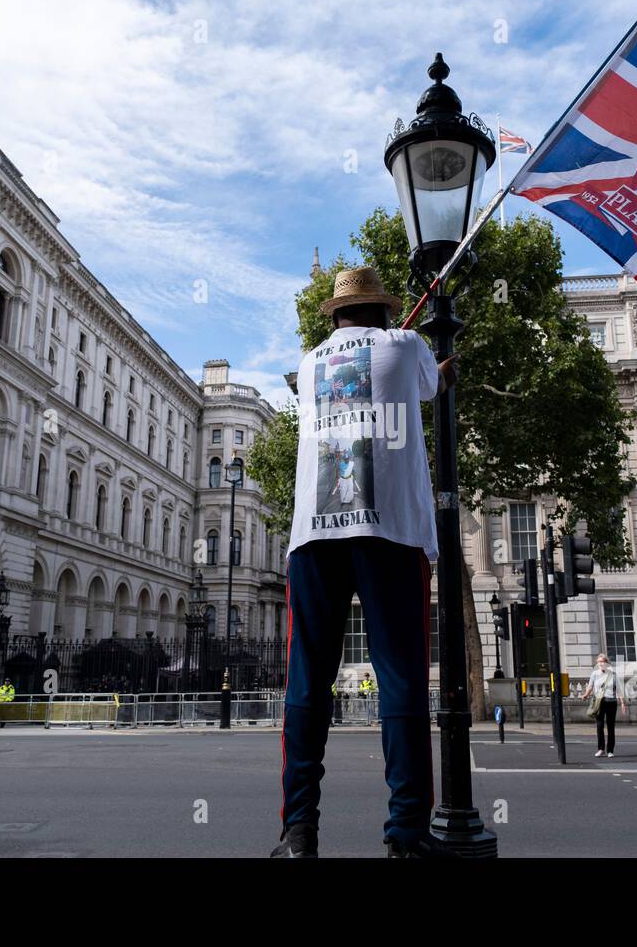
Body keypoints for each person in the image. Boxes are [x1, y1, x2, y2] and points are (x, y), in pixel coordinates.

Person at [273, 266, 459, 859]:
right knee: (401, 681)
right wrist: (444, 372)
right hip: (390, 533)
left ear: (333, 316)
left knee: (307, 683)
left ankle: (299, 832)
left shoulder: (307, 366)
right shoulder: (407, 346)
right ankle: (406, 832)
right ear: (385, 312)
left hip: (314, 533)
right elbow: (433, 387)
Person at [583, 653, 626, 757]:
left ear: (607, 663)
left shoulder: (613, 675)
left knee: (611, 727)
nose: (601, 664)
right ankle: (601, 748)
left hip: (611, 702)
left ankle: (610, 750)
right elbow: (590, 686)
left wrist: (623, 703)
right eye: (599, 662)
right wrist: (585, 694)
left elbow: (619, 690)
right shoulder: (594, 674)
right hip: (599, 702)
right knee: (599, 726)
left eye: (603, 661)